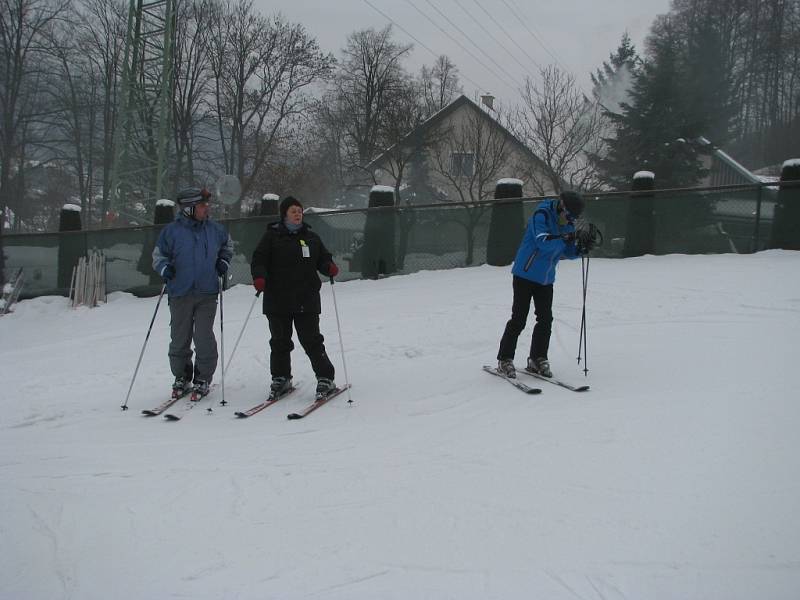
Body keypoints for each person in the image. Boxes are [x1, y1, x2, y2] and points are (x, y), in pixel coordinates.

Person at [250, 196, 340, 400]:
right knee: (280, 341)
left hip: (305, 298)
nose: (298, 214)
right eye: (293, 211)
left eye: (299, 210)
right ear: (284, 215)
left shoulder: (311, 237)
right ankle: (281, 377)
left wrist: (328, 267)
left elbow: (323, 258)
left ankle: (326, 377)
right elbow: (259, 259)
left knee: (311, 340)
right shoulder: (271, 237)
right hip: (277, 298)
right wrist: (259, 276)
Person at [496, 190, 586, 379]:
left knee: (545, 319)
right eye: (569, 215)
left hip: (546, 278)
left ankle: (537, 358)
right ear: (562, 206)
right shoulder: (542, 214)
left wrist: (581, 248)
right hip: (525, 274)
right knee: (519, 318)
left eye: (572, 217)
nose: (569, 220)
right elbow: (543, 242)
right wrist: (566, 238)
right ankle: (505, 358)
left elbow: (567, 251)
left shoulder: (567, 222)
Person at [152, 187, 233, 398]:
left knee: (204, 336)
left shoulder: (215, 229)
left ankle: (203, 377)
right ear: (189, 209)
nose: (206, 208)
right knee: (179, 337)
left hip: (207, 291)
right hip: (180, 291)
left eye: (206, 205)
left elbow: (227, 246)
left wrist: (223, 261)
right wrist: (164, 268)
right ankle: (182, 376)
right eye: (202, 205)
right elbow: (159, 255)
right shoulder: (171, 231)